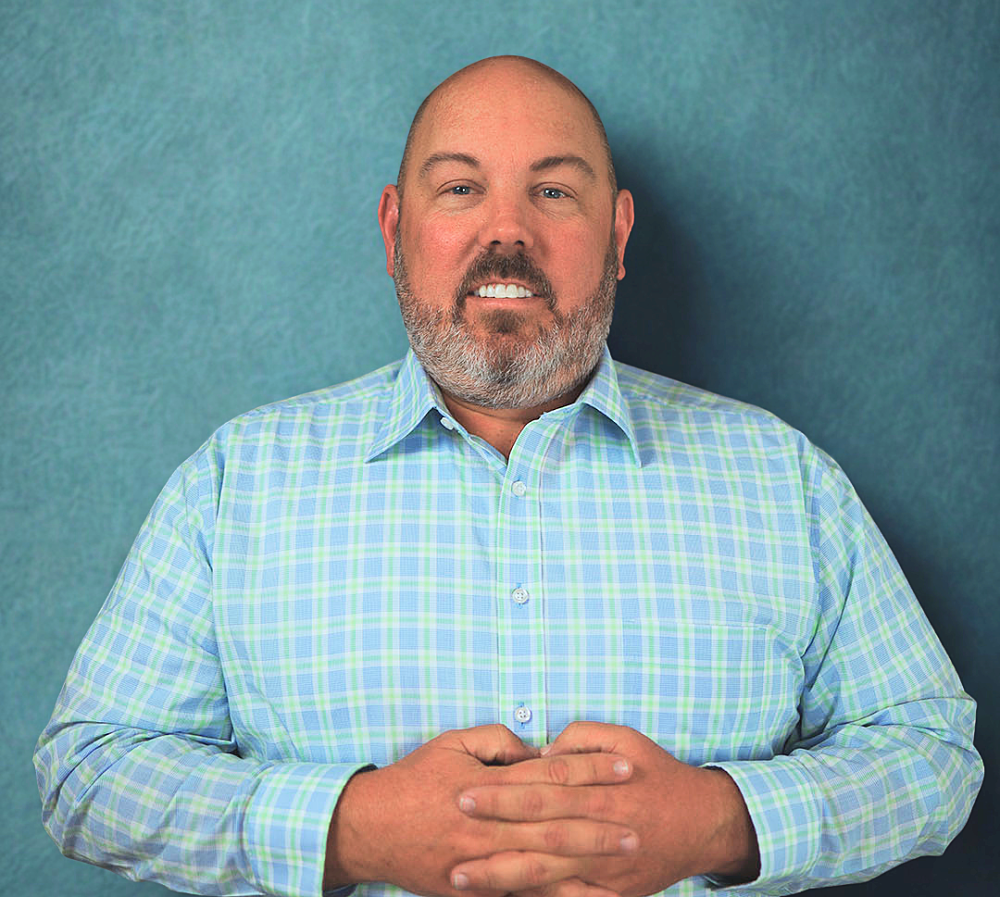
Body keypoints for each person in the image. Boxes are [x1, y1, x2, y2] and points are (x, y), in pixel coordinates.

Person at [35, 56, 983, 897]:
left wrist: (718, 821)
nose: (507, 231)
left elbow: (931, 755)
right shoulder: (236, 484)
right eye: (460, 189)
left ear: (618, 234)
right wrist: (350, 828)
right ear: (394, 228)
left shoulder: (783, 480)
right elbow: (89, 772)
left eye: (554, 192)